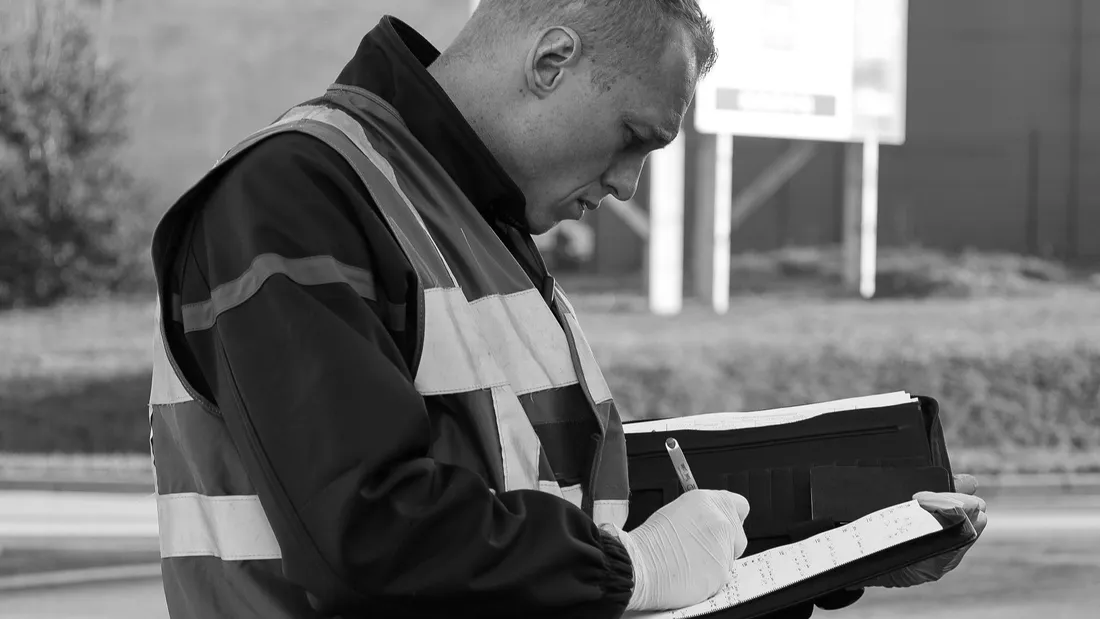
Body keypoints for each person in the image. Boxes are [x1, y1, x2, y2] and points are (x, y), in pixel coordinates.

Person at [145, 2, 987, 618]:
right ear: (550, 60)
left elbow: (550, 499)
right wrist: (632, 570)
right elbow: (368, 533)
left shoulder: (466, 215)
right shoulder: (295, 195)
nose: (627, 184)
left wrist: (835, 545)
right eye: (633, 136)